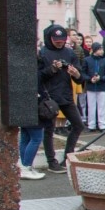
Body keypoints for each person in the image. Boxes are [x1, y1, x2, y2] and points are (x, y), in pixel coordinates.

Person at [38, 25, 85, 173]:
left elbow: (80, 77)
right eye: (56, 40)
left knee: (78, 125)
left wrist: (76, 74)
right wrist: (52, 69)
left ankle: (67, 157)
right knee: (49, 129)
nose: (59, 42)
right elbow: (38, 76)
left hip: (66, 95)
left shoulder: (70, 53)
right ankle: (52, 161)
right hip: (49, 97)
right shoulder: (43, 53)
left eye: (62, 40)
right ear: (50, 39)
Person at [82, 42, 105, 132]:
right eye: (99, 49)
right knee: (91, 106)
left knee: (101, 106)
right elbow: (83, 73)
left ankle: (102, 124)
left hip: (101, 86)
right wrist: (90, 79)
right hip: (91, 86)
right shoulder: (87, 60)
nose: (101, 51)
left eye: (102, 49)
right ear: (94, 50)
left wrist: (101, 78)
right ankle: (91, 125)